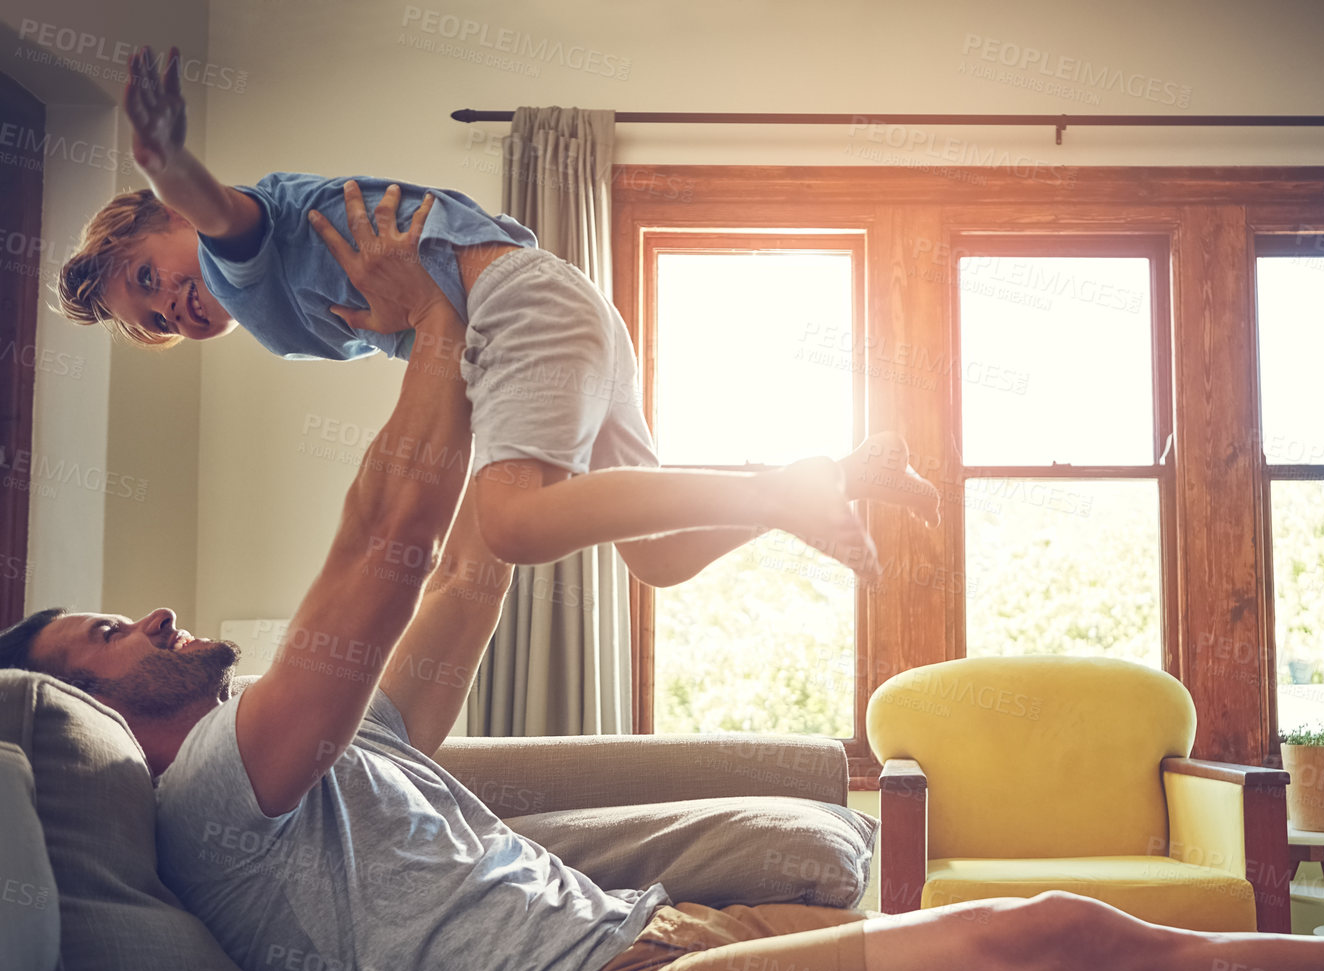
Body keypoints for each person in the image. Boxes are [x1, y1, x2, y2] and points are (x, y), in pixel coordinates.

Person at [10, 182, 1324, 971]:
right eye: (110, 627)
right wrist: (437, 305)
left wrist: (763, 502)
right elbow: (392, 538)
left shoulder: (331, 747)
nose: (154, 618)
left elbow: (474, 553)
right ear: (84, 699)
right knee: (1055, 939)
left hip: (645, 940)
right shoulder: (222, 791)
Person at [54, 45, 939, 586]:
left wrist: (167, 158)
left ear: (165, 220)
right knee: (657, 560)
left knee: (510, 525)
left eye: (150, 276)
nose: (175, 304)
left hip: (519, 309)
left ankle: (787, 488)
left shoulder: (231, 250)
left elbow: (214, 209)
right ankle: (839, 478)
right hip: (565, 311)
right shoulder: (265, 298)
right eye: (160, 320)